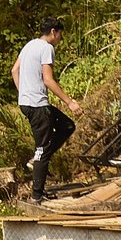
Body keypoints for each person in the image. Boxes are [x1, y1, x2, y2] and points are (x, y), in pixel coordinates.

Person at [13, 17, 80, 203]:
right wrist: (70, 102)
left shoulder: (29, 45)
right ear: (53, 32)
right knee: (42, 149)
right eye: (60, 35)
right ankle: (37, 195)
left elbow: (14, 71)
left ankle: (39, 157)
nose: (60, 39)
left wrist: (23, 93)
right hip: (37, 105)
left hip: (28, 103)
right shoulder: (46, 48)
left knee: (67, 126)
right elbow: (48, 80)